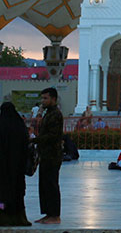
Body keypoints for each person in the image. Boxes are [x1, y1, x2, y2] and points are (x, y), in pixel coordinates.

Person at [0, 101, 31, 226]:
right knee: (17, 193)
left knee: (2, 194)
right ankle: (19, 217)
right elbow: (26, 144)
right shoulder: (19, 125)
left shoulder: (1, 125)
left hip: (2, 168)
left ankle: (3, 216)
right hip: (18, 167)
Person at [35, 87, 63, 225]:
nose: (43, 101)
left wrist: (35, 140)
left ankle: (55, 215)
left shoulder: (56, 114)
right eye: (42, 98)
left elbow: (52, 136)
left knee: (51, 185)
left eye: (46, 98)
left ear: (53, 99)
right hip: (45, 155)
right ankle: (48, 213)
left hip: (53, 155)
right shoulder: (48, 114)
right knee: (44, 185)